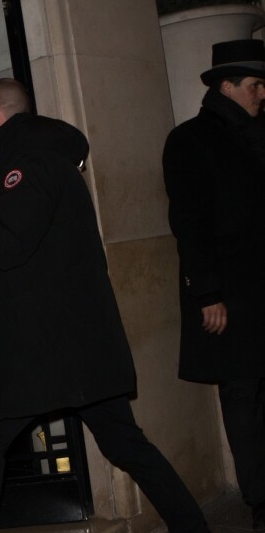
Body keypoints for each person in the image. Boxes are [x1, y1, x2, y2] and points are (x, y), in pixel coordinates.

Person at [0, 79, 209, 533]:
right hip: (69, 348)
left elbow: (6, 244)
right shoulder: (35, 163)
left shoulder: (27, 166)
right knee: (125, 444)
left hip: (43, 351)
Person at [162, 39, 265, 532]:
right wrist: (207, 293)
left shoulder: (261, 135)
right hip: (231, 293)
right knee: (243, 395)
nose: (261, 94)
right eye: (254, 85)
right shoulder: (189, 141)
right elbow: (190, 221)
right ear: (227, 86)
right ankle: (261, 499)